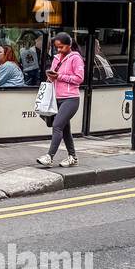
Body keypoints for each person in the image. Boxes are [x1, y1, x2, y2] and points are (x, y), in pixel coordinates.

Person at [37, 32, 84, 168]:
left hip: (71, 99)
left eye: (61, 47)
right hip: (56, 98)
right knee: (64, 129)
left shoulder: (76, 58)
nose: (59, 50)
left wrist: (60, 76)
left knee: (57, 126)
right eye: (56, 47)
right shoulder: (56, 58)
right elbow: (54, 76)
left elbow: (79, 79)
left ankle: (49, 157)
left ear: (69, 45)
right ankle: (73, 157)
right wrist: (50, 77)